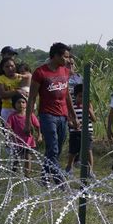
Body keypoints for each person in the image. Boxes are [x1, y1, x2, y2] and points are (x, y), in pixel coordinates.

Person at [30, 43, 79, 185]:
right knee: (53, 148)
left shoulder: (65, 71)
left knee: (56, 150)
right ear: (56, 56)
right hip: (47, 115)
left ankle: (44, 179)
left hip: (63, 116)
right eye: (65, 56)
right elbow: (32, 98)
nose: (68, 60)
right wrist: (28, 120)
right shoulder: (40, 73)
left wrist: (73, 116)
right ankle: (59, 181)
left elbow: (67, 95)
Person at [4, 94, 40, 175]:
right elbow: (8, 128)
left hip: (29, 142)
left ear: (26, 104)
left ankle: (27, 174)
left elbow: (37, 126)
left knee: (28, 157)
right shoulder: (12, 116)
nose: (21, 104)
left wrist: (39, 135)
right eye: (18, 102)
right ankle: (13, 172)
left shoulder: (30, 115)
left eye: (23, 102)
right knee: (16, 158)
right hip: (17, 142)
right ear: (14, 105)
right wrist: (7, 139)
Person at [66, 83, 96, 173]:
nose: (82, 99)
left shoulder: (89, 105)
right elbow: (69, 120)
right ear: (75, 96)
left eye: (84, 96)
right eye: (80, 96)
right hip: (75, 132)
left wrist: (90, 110)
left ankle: (90, 171)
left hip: (87, 132)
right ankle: (69, 167)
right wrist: (73, 125)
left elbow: (94, 119)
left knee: (88, 150)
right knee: (73, 151)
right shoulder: (72, 107)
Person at [0, 57, 24, 125]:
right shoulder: (0, 79)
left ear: (15, 66)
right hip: (8, 109)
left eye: (12, 66)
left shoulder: (21, 77)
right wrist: (16, 92)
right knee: (9, 133)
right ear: (3, 68)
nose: (10, 68)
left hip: (21, 109)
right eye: (7, 67)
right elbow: (2, 95)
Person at [0, 46, 18, 115]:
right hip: (2, 102)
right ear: (2, 55)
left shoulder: (17, 66)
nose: (11, 56)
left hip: (16, 102)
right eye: (9, 54)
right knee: (5, 124)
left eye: (13, 55)